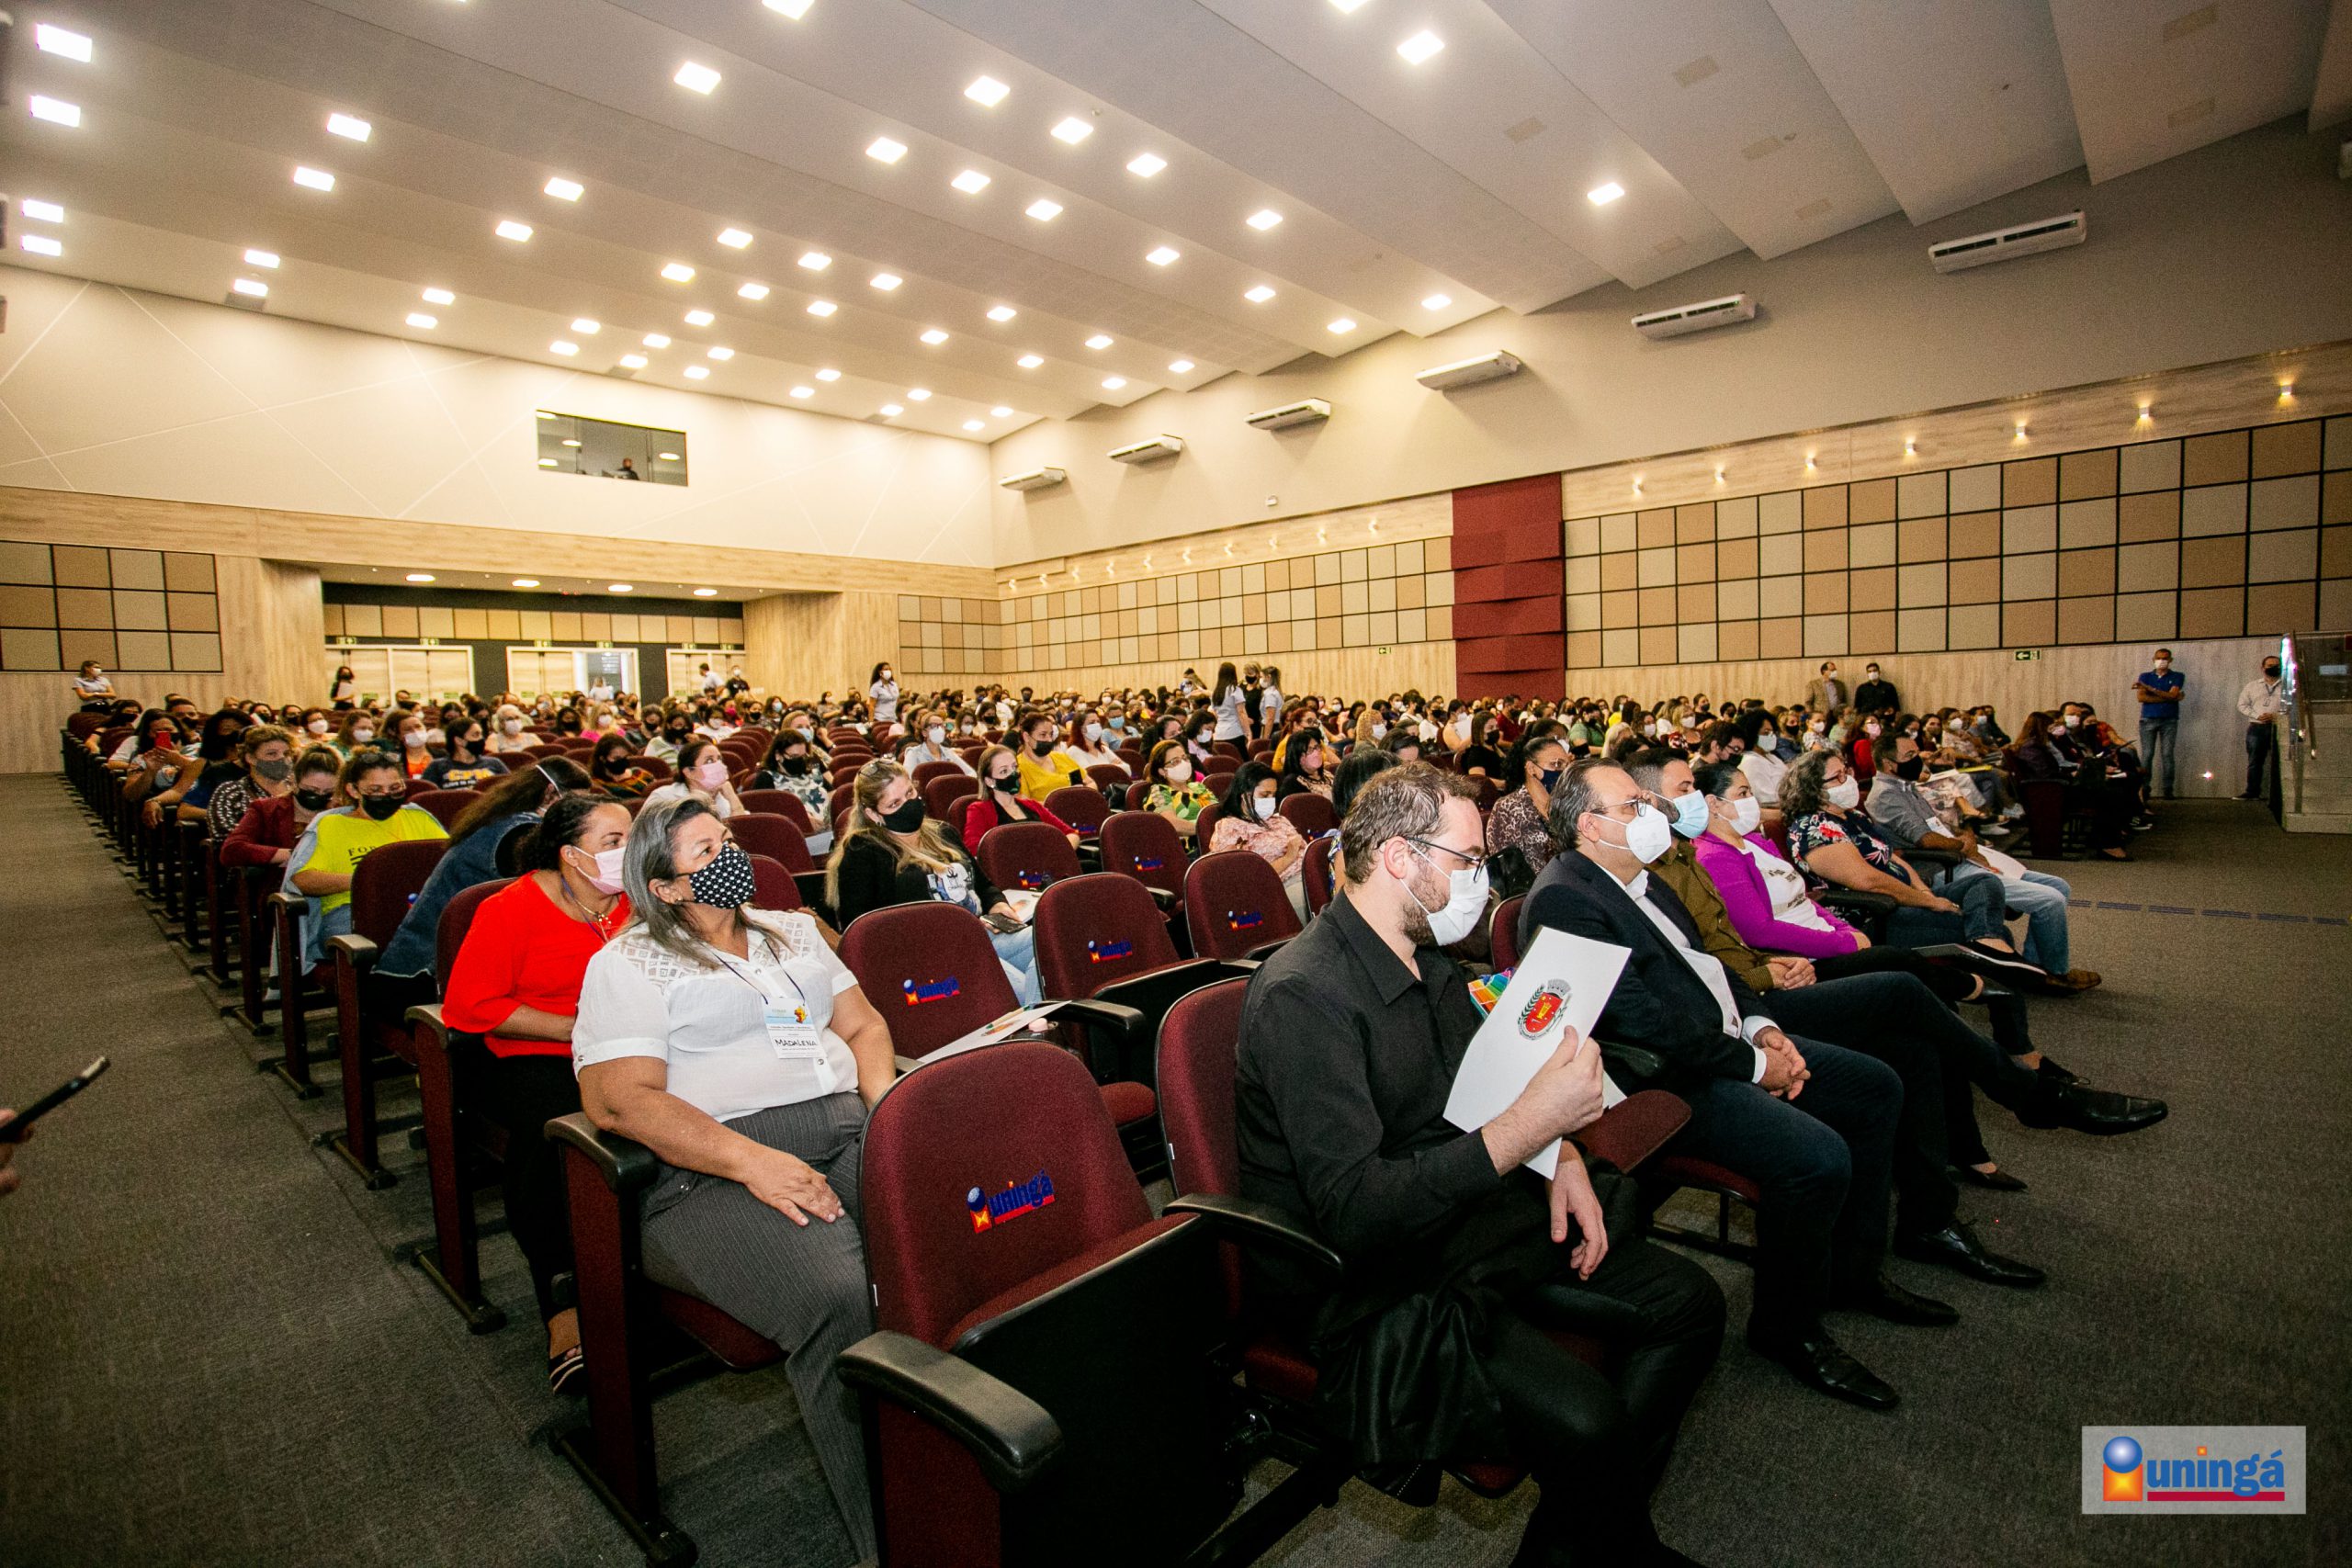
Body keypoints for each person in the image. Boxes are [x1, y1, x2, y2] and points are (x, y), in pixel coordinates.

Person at [1237, 763, 1723, 1563]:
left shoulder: (1427, 959)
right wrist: (1531, 1128)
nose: (1482, 882)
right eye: (1467, 860)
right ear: (1399, 857)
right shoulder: (1304, 995)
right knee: (1589, 1421)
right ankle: (1611, 1534)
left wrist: (1563, 1155)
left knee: (1691, 1304)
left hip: (1463, 1217)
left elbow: (1491, 1088)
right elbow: (1357, 1209)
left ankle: (1594, 1537)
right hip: (1376, 1282)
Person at [1522, 760, 1946, 1409]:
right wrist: (1753, 1065)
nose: (1652, 813)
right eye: (1633, 805)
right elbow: (1643, 1024)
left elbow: (1712, 967)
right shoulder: (1566, 897)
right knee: (1817, 1156)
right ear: (1589, 825)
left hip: (1722, 1040)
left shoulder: (1644, 875)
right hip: (1663, 1078)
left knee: (1875, 1085)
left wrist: (1763, 1027)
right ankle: (1787, 1329)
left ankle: (1854, 1273)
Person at [574, 797, 895, 1560]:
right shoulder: (628, 962)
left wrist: (888, 1116)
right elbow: (618, 1099)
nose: (730, 856)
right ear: (665, 886)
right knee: (840, 1295)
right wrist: (754, 1162)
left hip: (847, 1126)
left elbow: (864, 1025)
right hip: (712, 1168)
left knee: (947, 1236)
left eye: (726, 839)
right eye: (704, 851)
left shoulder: (791, 931)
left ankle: (966, 1467)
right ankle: (894, 1536)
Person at [439, 792, 632, 1389]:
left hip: (624, 1044)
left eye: (631, 837)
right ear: (570, 854)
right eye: (613, 842)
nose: (628, 851)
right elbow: (471, 1005)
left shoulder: (634, 899)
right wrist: (576, 1028)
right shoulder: (509, 909)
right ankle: (562, 1302)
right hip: (533, 1053)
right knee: (560, 1134)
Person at [1780, 750, 2048, 981]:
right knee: (1999, 933)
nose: (1848, 780)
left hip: (1908, 898)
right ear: (1814, 789)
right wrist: (1929, 903)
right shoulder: (1813, 829)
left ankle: (1986, 947)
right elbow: (1869, 882)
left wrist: (1923, 891)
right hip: (1875, 914)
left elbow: (1892, 857)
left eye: (1846, 771)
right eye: (1837, 777)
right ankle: (1998, 973)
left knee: (1985, 882)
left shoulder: (1853, 816)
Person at [1863, 743, 2095, 991]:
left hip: (1957, 857)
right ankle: (2053, 974)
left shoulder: (1906, 787)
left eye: (1916, 752)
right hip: (1939, 868)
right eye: (1909, 755)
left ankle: (2034, 967)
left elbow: (1941, 827)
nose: (1917, 759)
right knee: (2050, 900)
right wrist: (1965, 847)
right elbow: (1926, 839)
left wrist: (1966, 838)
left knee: (2059, 886)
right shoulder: (1886, 795)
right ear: (1888, 764)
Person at [378, 757, 594, 998]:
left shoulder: (509, 820)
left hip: (457, 962)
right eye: (576, 803)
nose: (579, 814)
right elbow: (560, 888)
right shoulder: (517, 834)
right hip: (423, 976)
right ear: (550, 793)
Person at [827, 760, 1041, 1003]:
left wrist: (997, 904)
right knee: (1025, 992)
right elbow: (862, 929)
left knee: (1052, 945)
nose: (908, 804)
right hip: (933, 953)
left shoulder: (943, 832)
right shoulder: (863, 851)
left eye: (909, 793)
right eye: (894, 803)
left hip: (984, 934)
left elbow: (984, 885)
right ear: (873, 814)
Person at [286, 750, 450, 968]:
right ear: (353, 790)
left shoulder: (418, 818)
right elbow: (303, 880)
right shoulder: (331, 825)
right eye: (375, 790)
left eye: (395, 788)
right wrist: (367, 880)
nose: (386, 795)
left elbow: (451, 862)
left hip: (416, 905)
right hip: (352, 910)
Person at [2007, 712, 2134, 859]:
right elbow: (2045, 774)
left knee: (2110, 791)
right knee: (2108, 796)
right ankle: (2108, 845)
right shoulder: (2031, 747)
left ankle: (2104, 840)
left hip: (2056, 790)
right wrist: (2070, 776)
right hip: (2050, 794)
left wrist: (2072, 774)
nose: (2051, 731)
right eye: (2049, 727)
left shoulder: (2037, 745)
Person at [1209, 761, 1308, 921]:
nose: (1270, 800)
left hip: (1308, 874)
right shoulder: (1229, 828)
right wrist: (1288, 858)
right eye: (1264, 795)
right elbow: (1244, 880)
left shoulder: (1279, 820)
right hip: (1279, 889)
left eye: (1273, 795)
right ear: (1244, 794)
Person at [221, 745, 345, 873]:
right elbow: (232, 850)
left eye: (328, 792)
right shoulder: (266, 809)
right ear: (294, 781)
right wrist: (295, 855)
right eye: (312, 790)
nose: (319, 795)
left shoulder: (343, 812)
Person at [1486, 732, 1569, 886]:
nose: (1563, 772)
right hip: (1535, 891)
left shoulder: (1567, 804)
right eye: (1556, 764)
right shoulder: (1508, 809)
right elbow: (1510, 873)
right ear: (1531, 768)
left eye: (1566, 765)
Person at [962, 744, 1079, 849]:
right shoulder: (979, 810)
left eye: (1015, 767)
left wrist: (1057, 853)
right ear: (989, 781)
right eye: (1004, 771)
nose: (1013, 774)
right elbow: (974, 848)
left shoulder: (1033, 805)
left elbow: (1071, 834)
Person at [207, 723, 295, 840]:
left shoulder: (299, 788)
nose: (282, 758)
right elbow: (224, 835)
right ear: (251, 758)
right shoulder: (232, 792)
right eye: (272, 753)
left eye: (286, 753)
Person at [2131, 649, 2186, 800]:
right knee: (2147, 754)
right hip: (2148, 719)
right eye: (2159, 658)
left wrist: (2150, 689)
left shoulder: (2177, 676)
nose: (2161, 661)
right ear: (2153, 659)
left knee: (2167, 754)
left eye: (2165, 658)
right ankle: (2144, 788)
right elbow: (2142, 698)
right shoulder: (2145, 676)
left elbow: (2173, 694)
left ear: (2170, 660)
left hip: (2169, 720)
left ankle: (2168, 789)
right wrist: (2170, 698)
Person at [645, 738, 744, 820]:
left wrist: (733, 799)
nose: (718, 764)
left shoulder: (724, 799)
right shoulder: (663, 797)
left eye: (719, 759)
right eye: (709, 761)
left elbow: (741, 832)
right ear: (689, 772)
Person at [1137, 739, 1215, 840]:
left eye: (1185, 758)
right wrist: (1208, 830)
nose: (1183, 763)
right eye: (1175, 761)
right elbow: (1170, 823)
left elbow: (1217, 811)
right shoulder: (1159, 791)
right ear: (1162, 771)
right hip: (1194, 845)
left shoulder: (1198, 786)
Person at [2237, 652, 2285, 799]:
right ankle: (2252, 792)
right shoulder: (2252, 686)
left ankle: (2279, 795)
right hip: (2257, 727)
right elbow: (2242, 705)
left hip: (2279, 726)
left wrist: (2276, 716)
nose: (2273, 668)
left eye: (2277, 666)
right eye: (2270, 665)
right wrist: (2258, 716)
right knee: (2255, 761)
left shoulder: (2287, 686)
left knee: (2280, 761)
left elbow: (2293, 706)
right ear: (2263, 668)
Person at [1011, 710, 1087, 801]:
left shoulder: (1061, 758)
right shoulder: (1019, 768)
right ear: (1026, 737)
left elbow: (1089, 783)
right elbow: (1025, 804)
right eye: (1043, 735)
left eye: (1051, 734)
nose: (1049, 740)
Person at [424, 716, 510, 789]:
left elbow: (511, 791)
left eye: (481, 734)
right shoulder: (437, 766)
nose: (481, 739)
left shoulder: (495, 763)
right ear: (459, 740)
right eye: (476, 735)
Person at [898, 709, 975, 776]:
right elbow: (908, 779)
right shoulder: (913, 753)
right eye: (934, 726)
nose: (939, 729)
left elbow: (971, 773)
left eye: (942, 726)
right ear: (924, 732)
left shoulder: (949, 753)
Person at [1273, 727, 1335, 802]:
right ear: (1297, 756)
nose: (1316, 753)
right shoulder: (1292, 784)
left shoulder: (1327, 774)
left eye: (1317, 747)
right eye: (1309, 749)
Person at [587, 734, 656, 798]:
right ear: (602, 759)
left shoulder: (639, 773)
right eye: (617, 758)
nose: (622, 761)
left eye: (625, 757)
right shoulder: (598, 785)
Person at [1207, 661, 1249, 745]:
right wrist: (1248, 732)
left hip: (1219, 734)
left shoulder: (1216, 693)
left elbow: (1215, 714)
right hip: (1234, 732)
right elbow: (1241, 713)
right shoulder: (1235, 690)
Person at [867, 661, 899, 727]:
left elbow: (897, 700)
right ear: (880, 672)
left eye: (890, 669)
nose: (889, 671)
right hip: (880, 719)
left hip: (893, 719)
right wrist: (871, 721)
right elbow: (871, 705)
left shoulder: (894, 685)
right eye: (886, 669)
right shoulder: (875, 687)